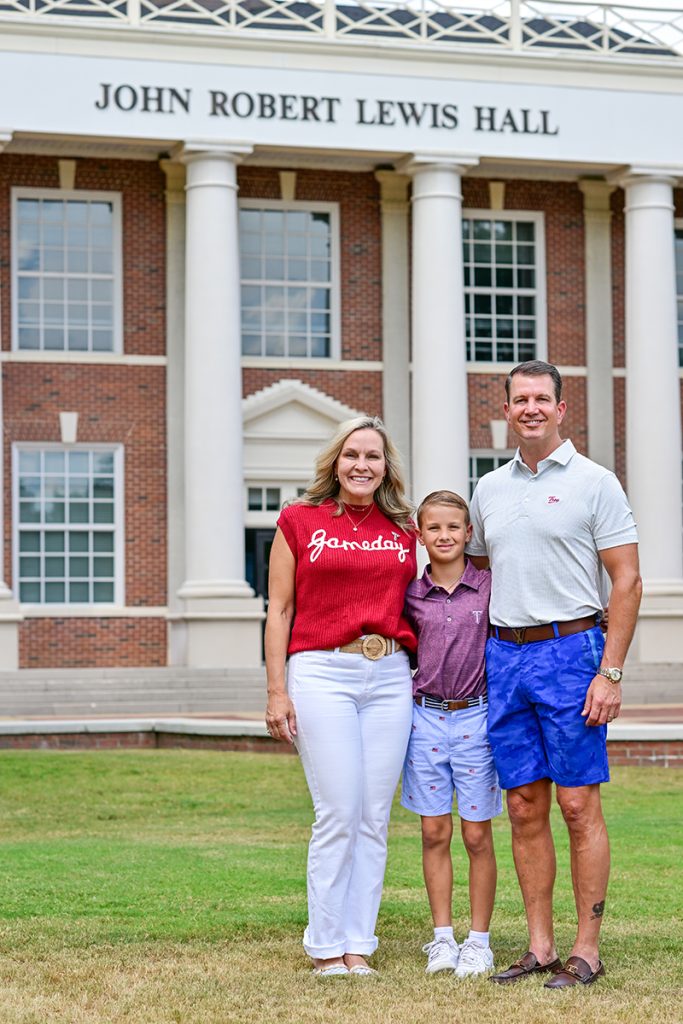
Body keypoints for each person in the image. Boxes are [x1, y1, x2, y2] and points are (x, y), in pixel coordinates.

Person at [467, 360, 642, 989]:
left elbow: (627, 578)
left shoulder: (596, 483)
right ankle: (538, 946)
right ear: (508, 410)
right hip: (505, 655)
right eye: (521, 399)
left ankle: (586, 949)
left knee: (576, 804)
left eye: (543, 398)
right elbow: (479, 576)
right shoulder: (488, 488)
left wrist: (610, 672)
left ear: (562, 408)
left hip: (572, 652)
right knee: (521, 806)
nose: (532, 408)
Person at [264, 415, 418, 978]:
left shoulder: (405, 528)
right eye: (352, 454)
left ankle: (359, 943)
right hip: (321, 672)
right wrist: (276, 689)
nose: (361, 465)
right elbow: (279, 609)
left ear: (385, 467)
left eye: (373, 456)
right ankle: (326, 945)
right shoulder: (299, 521)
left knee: (374, 817)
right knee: (338, 812)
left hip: (389, 676)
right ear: (335, 461)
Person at [401, 490, 502, 978]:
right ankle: (442, 938)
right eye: (433, 528)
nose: (444, 536)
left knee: (476, 834)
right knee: (433, 831)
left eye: (453, 528)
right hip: (426, 720)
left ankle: (478, 941)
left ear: (468, 534)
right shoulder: (410, 594)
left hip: (476, 720)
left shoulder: (489, 587)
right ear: (420, 535)